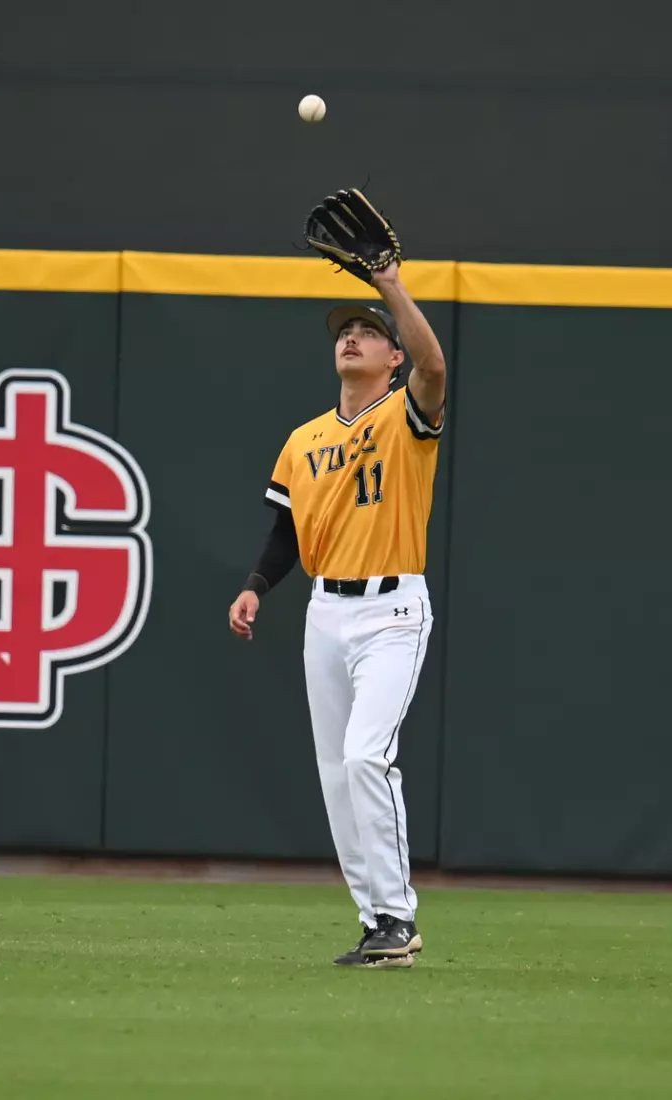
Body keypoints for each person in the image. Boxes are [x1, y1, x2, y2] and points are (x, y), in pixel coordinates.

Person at [227, 262, 447, 969]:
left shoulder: (405, 416)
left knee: (365, 757)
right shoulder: (304, 439)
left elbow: (437, 367)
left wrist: (389, 286)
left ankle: (400, 915)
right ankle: (377, 919)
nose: (353, 338)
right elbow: (289, 531)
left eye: (369, 333)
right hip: (326, 611)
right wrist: (258, 583)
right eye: (345, 332)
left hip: (392, 608)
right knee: (333, 773)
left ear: (393, 356)